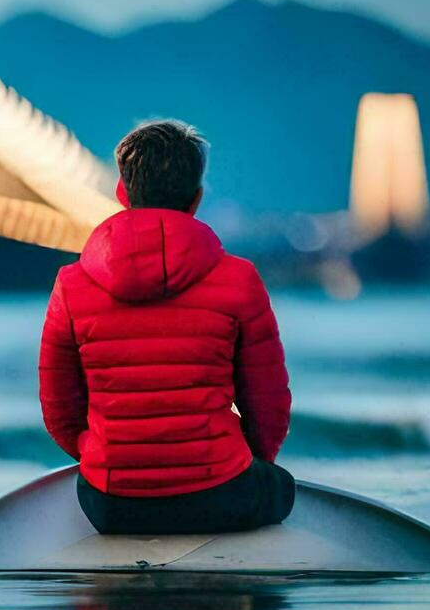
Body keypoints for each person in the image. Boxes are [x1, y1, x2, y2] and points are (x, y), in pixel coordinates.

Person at [38, 119, 293, 535]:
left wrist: (99, 455)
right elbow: (268, 407)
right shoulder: (240, 278)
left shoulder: (71, 284)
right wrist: (246, 462)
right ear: (196, 199)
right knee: (280, 487)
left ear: (122, 192)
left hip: (110, 505)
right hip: (221, 495)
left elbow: (60, 411)